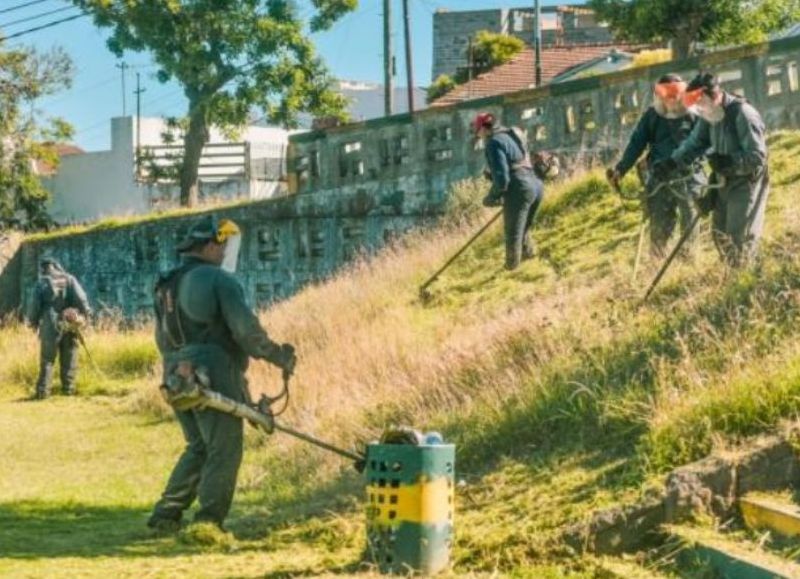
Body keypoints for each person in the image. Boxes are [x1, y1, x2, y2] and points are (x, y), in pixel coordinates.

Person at [148, 215, 297, 531]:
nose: (227, 250)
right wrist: (278, 356)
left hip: (174, 371)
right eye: (224, 244)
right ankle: (208, 521)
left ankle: (166, 514)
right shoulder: (218, 280)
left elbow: (161, 339)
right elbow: (246, 331)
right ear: (212, 244)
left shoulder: (166, 284)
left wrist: (179, 367)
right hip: (212, 368)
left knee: (199, 447)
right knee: (224, 447)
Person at [654, 72, 770, 267]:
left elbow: (758, 157)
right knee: (720, 234)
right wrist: (671, 163)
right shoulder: (709, 115)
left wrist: (729, 162)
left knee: (738, 237)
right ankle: (731, 279)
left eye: (699, 105)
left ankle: (747, 282)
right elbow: (694, 143)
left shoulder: (743, 114)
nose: (698, 110)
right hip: (722, 180)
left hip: (746, 182)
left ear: (713, 97)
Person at [607, 74, 706, 258]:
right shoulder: (652, 116)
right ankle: (656, 262)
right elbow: (636, 144)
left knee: (690, 221)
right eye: (667, 97)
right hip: (660, 178)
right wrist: (621, 169)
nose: (671, 101)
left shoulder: (695, 114)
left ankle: (688, 262)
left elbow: (708, 142)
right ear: (659, 96)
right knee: (659, 224)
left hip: (689, 176)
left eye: (675, 96)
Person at [474, 112, 545, 270]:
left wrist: (491, 197)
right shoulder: (512, 134)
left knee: (512, 233)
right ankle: (529, 255)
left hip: (520, 188)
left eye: (478, 133)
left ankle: (511, 269)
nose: (479, 137)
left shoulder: (493, 143)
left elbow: (502, 179)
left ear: (484, 130)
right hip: (536, 185)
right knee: (523, 227)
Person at [27, 257, 91, 400]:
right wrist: (84, 316)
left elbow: (34, 307)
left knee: (47, 359)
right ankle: (68, 389)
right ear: (56, 266)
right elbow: (82, 299)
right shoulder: (69, 279)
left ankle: (43, 392)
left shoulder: (41, 283)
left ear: (44, 268)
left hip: (50, 323)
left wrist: (33, 323)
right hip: (69, 321)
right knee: (69, 356)